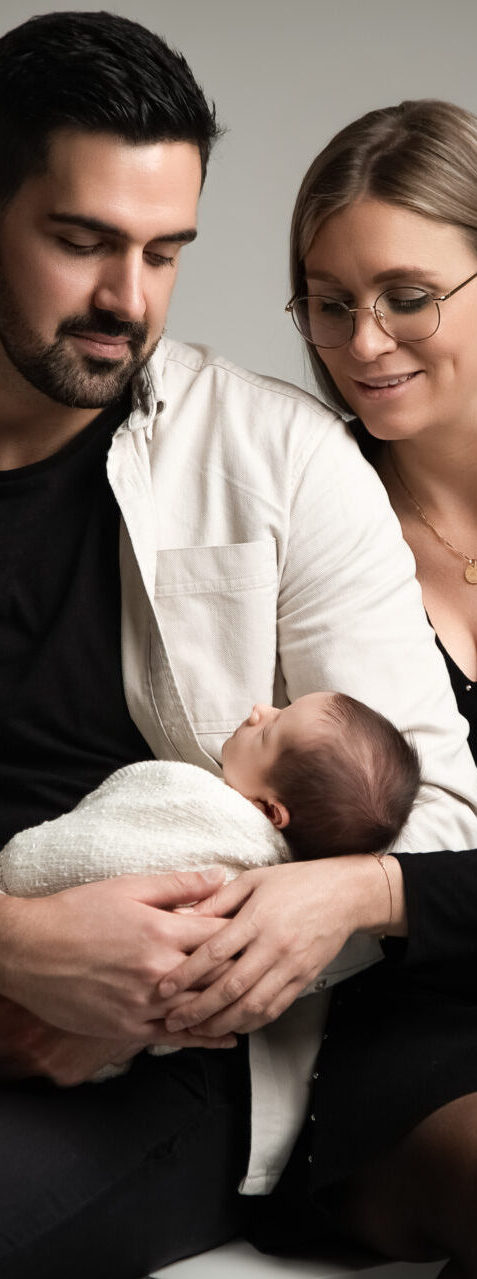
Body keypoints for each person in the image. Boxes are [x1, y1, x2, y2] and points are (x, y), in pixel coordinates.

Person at [0, 11, 475, 1274]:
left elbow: (432, 806)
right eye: (81, 241)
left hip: (151, 1064)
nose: (127, 298)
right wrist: (14, 946)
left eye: (166, 252)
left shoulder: (277, 456)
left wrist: (168, 961)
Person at [242, 96, 477, 1277]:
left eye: (408, 295)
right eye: (330, 305)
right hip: (408, 1050)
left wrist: (380, 887)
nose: (365, 343)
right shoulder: (306, 530)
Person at [0, 692, 420, 900]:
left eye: (271, 731)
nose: (260, 710)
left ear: (270, 809)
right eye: (282, 706)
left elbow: (109, 834)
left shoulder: (201, 809)